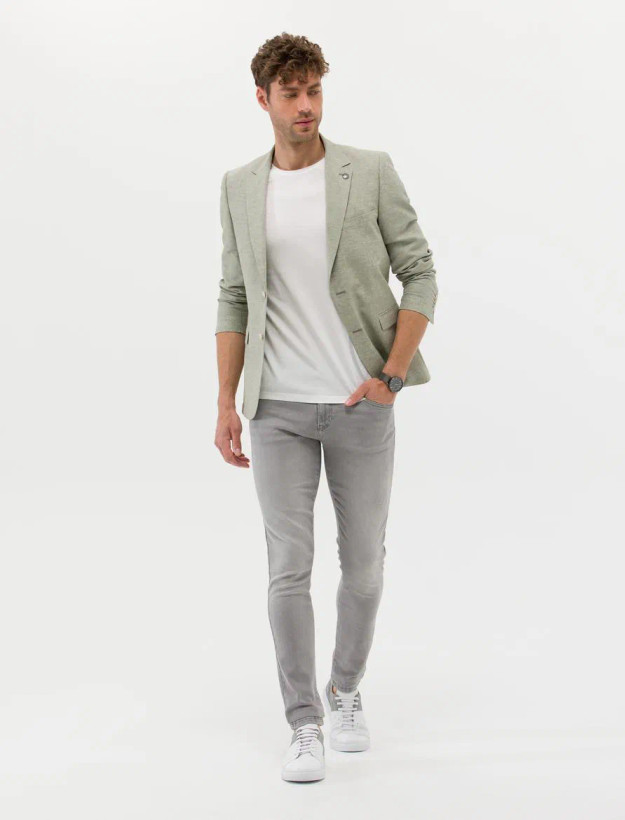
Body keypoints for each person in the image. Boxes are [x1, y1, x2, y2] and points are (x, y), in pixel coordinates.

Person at [214, 32, 438, 783]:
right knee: (288, 568)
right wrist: (225, 401)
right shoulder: (240, 186)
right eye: (291, 94)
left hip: (359, 404)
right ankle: (303, 720)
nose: (305, 106)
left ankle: (345, 690)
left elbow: (420, 271)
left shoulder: (367, 172)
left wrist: (391, 376)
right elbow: (233, 294)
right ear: (263, 99)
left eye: (314, 91)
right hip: (276, 408)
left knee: (364, 564)